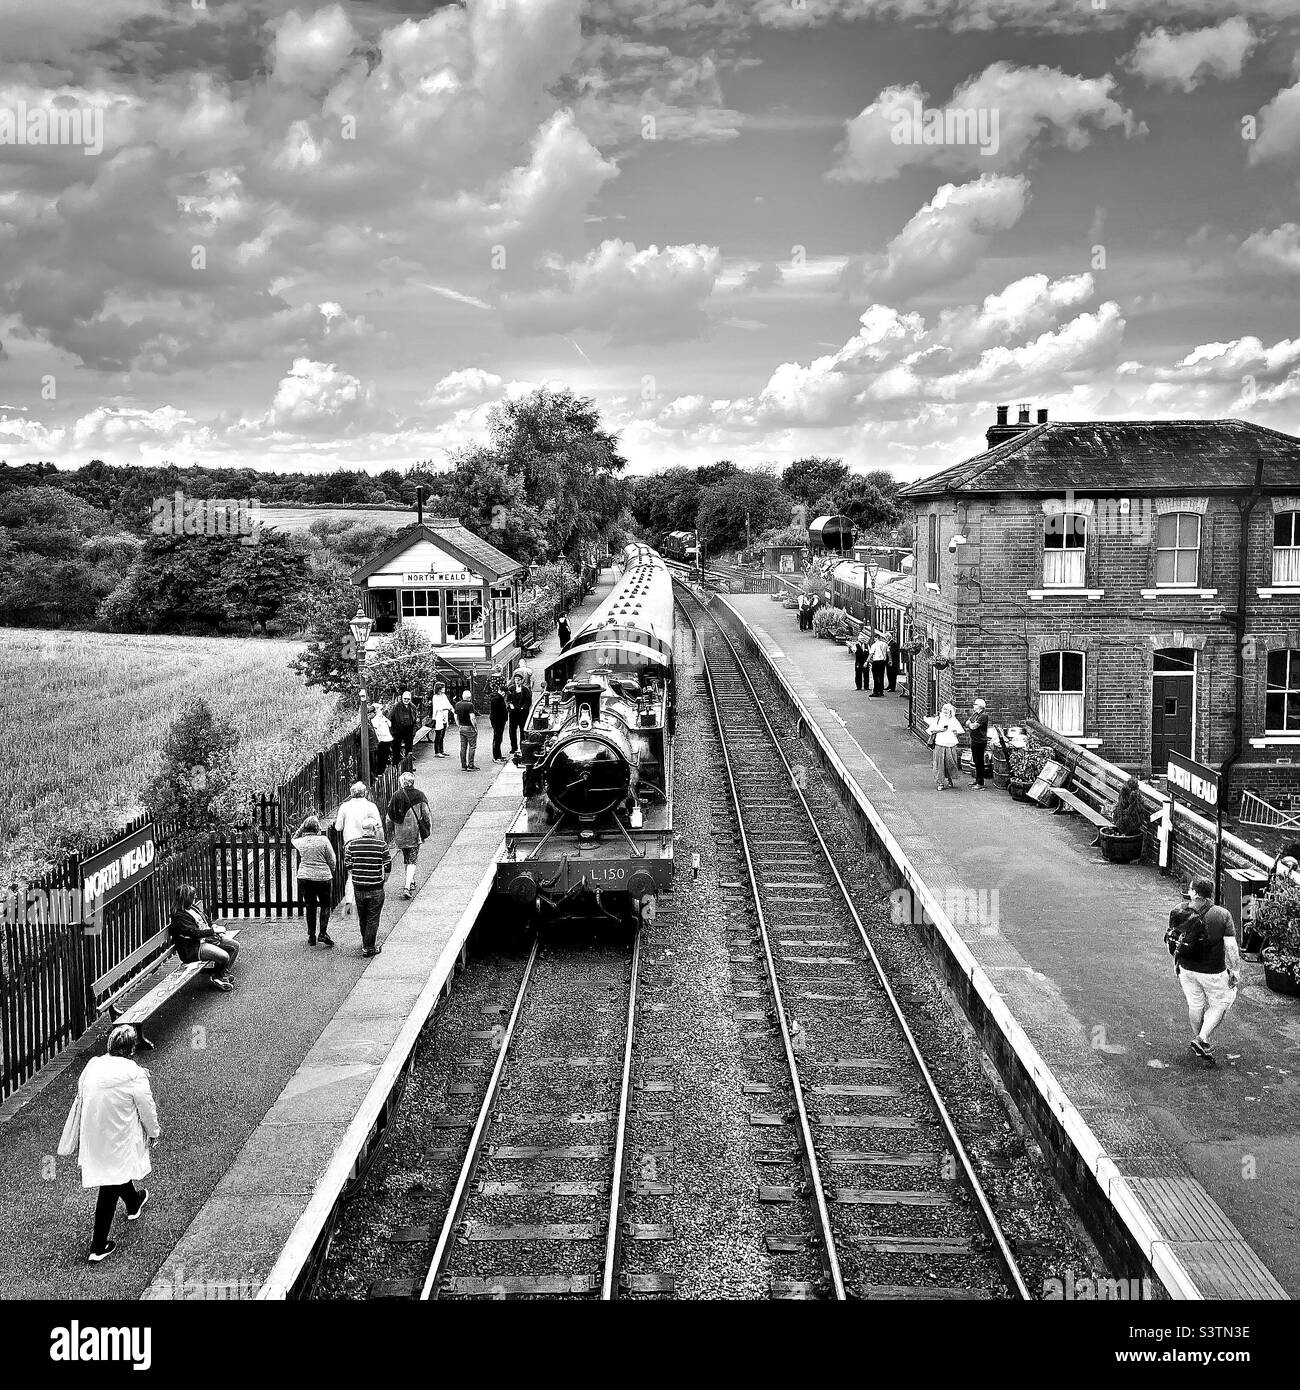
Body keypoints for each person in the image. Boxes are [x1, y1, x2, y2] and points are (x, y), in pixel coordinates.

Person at [59, 1024, 161, 1263]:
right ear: (132, 1049)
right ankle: (98, 1245)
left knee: (113, 1172)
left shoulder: (93, 1066)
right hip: (120, 1135)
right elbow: (147, 1108)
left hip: (94, 1133)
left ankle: (134, 1202)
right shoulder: (134, 1074)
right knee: (110, 1182)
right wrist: (153, 1132)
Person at [1171, 877, 1241, 1065]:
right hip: (1212, 971)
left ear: (1193, 892)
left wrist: (1176, 963)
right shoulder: (1221, 914)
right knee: (1220, 1003)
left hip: (1186, 968)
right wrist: (1235, 970)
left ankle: (1201, 1040)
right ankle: (1201, 1038)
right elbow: (1231, 947)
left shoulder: (1180, 910)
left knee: (1195, 1004)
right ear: (1210, 893)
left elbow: (1173, 938)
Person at [168, 884, 239, 990]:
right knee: (224, 956)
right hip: (193, 948)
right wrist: (212, 931)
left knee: (234, 946)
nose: (195, 898)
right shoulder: (179, 917)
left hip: (205, 940)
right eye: (193, 896)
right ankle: (219, 977)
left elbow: (205, 919)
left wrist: (213, 926)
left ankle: (222, 975)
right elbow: (194, 933)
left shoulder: (192, 908)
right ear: (187, 898)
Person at [334, 782, 383, 914]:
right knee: (367, 870)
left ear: (351, 793)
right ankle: (366, 899)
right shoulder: (370, 806)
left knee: (351, 873)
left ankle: (349, 901)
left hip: (350, 843)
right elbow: (379, 825)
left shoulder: (344, 806)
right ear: (365, 793)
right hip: (368, 843)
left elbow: (338, 827)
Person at [345, 822, 391, 955]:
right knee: (373, 918)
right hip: (376, 887)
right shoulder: (381, 845)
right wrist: (384, 879)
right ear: (374, 830)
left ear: (363, 830)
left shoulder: (352, 845)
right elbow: (387, 865)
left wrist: (358, 873)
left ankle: (366, 941)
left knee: (363, 916)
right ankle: (369, 947)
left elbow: (348, 864)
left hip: (359, 887)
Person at [292, 814, 337, 947]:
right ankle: (322, 933)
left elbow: (293, 839)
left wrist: (301, 828)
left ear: (305, 828)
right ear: (317, 827)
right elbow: (332, 859)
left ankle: (311, 936)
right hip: (323, 877)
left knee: (310, 906)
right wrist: (330, 871)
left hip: (305, 877)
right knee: (325, 905)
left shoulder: (301, 842)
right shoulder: (323, 840)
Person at [385, 772, 431, 899]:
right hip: (414, 833)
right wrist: (427, 828)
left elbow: (389, 818)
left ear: (401, 783)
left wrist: (391, 833)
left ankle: (411, 881)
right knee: (412, 859)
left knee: (407, 857)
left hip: (400, 833)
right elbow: (426, 815)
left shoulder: (396, 796)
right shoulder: (420, 796)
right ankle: (406, 886)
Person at [929, 702, 963, 791]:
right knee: (939, 764)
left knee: (950, 763)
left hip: (951, 745)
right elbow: (931, 730)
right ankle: (940, 782)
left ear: (951, 712)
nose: (945, 712)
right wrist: (941, 730)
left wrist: (956, 732)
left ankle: (950, 779)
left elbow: (960, 731)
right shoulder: (938, 719)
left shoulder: (954, 720)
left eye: (947, 710)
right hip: (940, 744)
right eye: (944, 710)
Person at [388, 690, 419, 766]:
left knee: (409, 749)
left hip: (408, 730)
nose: (406, 700)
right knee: (396, 749)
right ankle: (396, 765)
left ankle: (409, 765)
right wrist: (392, 731)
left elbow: (415, 720)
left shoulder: (412, 707)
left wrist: (413, 731)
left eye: (408, 699)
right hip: (397, 730)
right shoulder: (396, 707)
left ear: (410, 699)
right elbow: (390, 718)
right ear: (402, 698)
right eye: (405, 699)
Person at [965, 698, 990, 789]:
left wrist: (971, 725)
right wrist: (970, 725)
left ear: (980, 706)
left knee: (980, 761)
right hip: (974, 740)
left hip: (980, 741)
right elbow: (967, 723)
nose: (973, 706)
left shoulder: (983, 716)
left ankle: (980, 782)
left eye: (975, 704)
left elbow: (974, 726)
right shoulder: (975, 714)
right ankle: (977, 779)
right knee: (975, 760)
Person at [506, 672, 532, 756]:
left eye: (519, 680)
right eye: (516, 680)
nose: (517, 681)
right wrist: (510, 705)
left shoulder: (525, 689)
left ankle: (522, 747)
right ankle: (513, 748)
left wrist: (523, 707)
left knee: (522, 730)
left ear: (522, 680)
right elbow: (507, 699)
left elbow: (528, 701)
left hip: (522, 713)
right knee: (512, 730)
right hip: (513, 713)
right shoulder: (511, 688)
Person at [454, 687, 479, 771]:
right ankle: (471, 764)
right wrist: (475, 727)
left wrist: (459, 725)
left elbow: (455, 716)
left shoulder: (457, 704)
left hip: (462, 727)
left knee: (463, 747)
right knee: (472, 746)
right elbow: (472, 717)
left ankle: (463, 765)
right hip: (469, 727)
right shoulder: (470, 705)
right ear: (469, 697)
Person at [429, 682, 454, 759]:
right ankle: (437, 751)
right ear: (439, 689)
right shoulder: (435, 697)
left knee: (442, 735)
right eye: (443, 687)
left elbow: (448, 704)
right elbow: (438, 707)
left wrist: (453, 710)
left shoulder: (444, 696)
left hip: (445, 716)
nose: (444, 689)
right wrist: (445, 708)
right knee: (438, 735)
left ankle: (442, 750)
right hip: (439, 717)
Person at [369, 703, 393, 777]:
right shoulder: (375, 719)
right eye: (380, 709)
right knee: (381, 757)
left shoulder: (382, 717)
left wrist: (384, 718)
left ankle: (382, 771)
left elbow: (390, 724)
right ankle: (380, 772)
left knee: (385, 756)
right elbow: (376, 729)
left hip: (387, 739)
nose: (382, 711)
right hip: (382, 740)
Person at [489, 682, 510, 762]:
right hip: (498, 721)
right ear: (502, 691)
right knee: (497, 739)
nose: (505, 695)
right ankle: (496, 757)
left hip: (498, 720)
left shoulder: (497, 698)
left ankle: (499, 755)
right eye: (505, 693)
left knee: (498, 738)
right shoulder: (497, 699)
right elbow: (498, 711)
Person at [868, 632, 890, 697]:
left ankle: (875, 692)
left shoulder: (874, 645)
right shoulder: (885, 644)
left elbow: (871, 654)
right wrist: (890, 660)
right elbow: (888, 652)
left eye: (874, 638)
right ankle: (881, 691)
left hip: (876, 662)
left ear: (876, 638)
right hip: (882, 662)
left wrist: (867, 661)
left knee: (875, 677)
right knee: (881, 677)